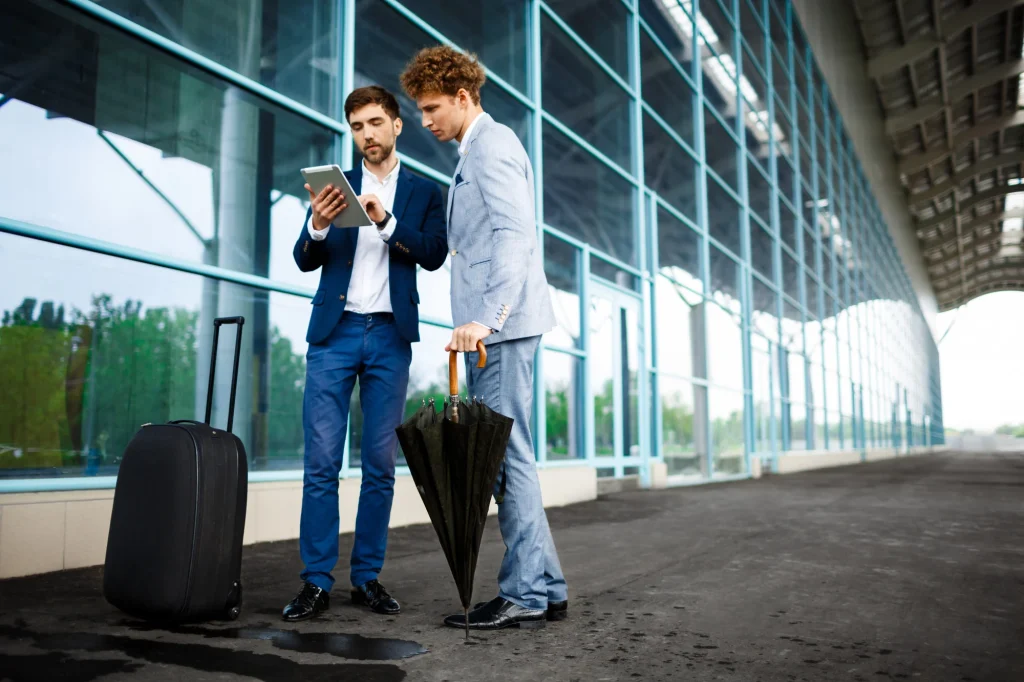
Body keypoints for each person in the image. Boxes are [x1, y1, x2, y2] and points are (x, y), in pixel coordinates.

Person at [400, 46, 568, 631]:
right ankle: (546, 587)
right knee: (509, 456)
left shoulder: (491, 147)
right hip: (498, 329)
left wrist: (488, 319)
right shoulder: (476, 149)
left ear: (463, 97)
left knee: (504, 458)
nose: (424, 120)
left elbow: (513, 236)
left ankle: (523, 593)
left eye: (430, 108)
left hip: (501, 328)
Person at [283, 85, 448, 622]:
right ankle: (314, 582)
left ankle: (367, 578)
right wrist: (319, 223)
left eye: (375, 123)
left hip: (389, 336)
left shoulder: (424, 193)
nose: (367, 135)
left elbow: (434, 253)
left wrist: (387, 222)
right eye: (357, 127)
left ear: (397, 125)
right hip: (333, 334)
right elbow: (304, 258)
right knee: (322, 463)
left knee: (379, 465)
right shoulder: (338, 187)